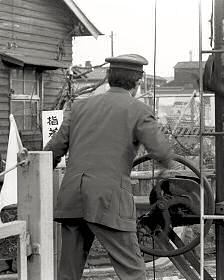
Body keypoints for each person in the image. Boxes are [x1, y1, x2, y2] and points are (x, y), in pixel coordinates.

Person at [44, 54, 173, 280]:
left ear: (108, 77)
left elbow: (52, 150)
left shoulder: (79, 107)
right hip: (108, 199)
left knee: (68, 272)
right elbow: (161, 152)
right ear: (137, 82)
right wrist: (169, 168)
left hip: (72, 197)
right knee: (132, 269)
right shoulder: (137, 109)